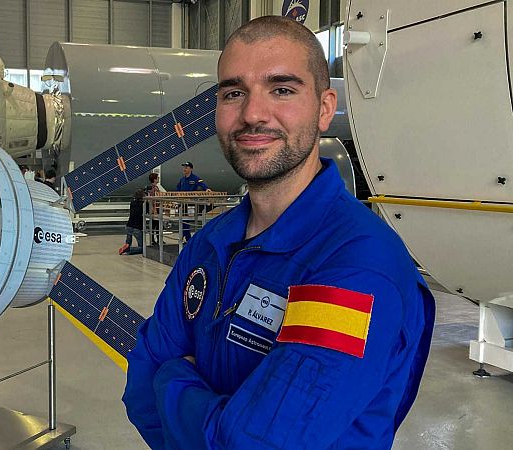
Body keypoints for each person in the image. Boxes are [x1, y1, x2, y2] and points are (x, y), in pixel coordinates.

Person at [122, 16, 435, 449]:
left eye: (282, 89)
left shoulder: (357, 264)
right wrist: (202, 410)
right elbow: (139, 389)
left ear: (325, 108)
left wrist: (174, 378)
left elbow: (251, 445)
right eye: (234, 92)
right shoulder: (210, 244)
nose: (252, 114)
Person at [176, 162, 209, 243]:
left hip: (191, 204)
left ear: (191, 169)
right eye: (184, 167)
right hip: (183, 203)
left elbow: (201, 183)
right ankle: (187, 238)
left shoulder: (195, 178)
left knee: (188, 220)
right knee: (184, 221)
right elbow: (178, 188)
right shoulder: (182, 180)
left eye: (186, 167)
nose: (184, 169)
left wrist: (207, 189)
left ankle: (188, 238)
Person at [119, 189, 145, 255]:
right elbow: (148, 211)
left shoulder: (132, 203)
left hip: (129, 225)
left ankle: (127, 246)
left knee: (128, 242)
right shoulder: (143, 204)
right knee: (142, 248)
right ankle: (129, 250)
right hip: (137, 227)